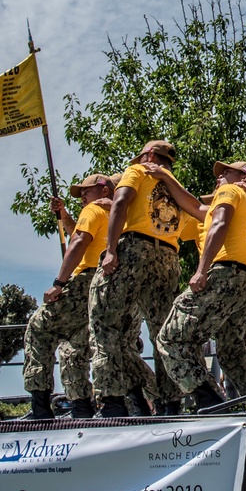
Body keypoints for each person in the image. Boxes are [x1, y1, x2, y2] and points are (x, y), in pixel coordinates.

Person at [150, 161, 246, 411]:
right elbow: (193, 205)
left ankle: (209, 399)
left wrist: (202, 269)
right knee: (233, 351)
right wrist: (167, 178)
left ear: (243, 178)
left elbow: (219, 223)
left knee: (170, 337)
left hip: (226, 274)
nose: (221, 175)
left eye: (228, 171)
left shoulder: (231, 191)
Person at [92, 140, 184, 417]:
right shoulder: (172, 183)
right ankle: (171, 404)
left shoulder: (139, 171)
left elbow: (121, 201)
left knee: (105, 323)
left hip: (134, 249)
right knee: (161, 332)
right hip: (168, 257)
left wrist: (110, 250)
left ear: (149, 155)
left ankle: (112, 402)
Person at [23, 173, 115, 419]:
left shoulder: (93, 210)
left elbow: (79, 241)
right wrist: (64, 215)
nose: (83, 195)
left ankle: (40, 406)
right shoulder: (117, 213)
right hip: (106, 287)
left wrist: (58, 284)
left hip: (84, 280)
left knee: (38, 327)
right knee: (74, 348)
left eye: (87, 190)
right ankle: (81, 408)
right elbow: (83, 232)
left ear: (104, 191)